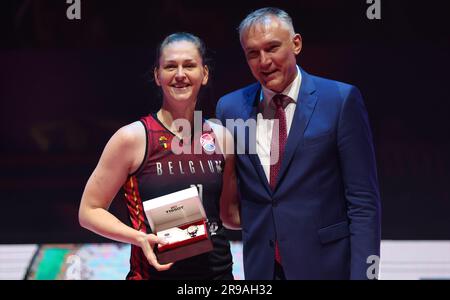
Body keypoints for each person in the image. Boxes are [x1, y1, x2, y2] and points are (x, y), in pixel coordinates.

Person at [216, 7, 381, 280]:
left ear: (296, 44)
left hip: (327, 268)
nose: (264, 61)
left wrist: (365, 276)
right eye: (253, 53)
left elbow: (363, 202)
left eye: (272, 48)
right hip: (262, 270)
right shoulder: (230, 108)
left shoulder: (340, 100)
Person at [79, 32, 238, 280]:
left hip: (217, 276)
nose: (180, 74)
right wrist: (138, 237)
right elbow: (89, 210)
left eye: (189, 65)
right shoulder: (132, 138)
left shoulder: (222, 137)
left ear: (204, 74)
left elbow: (228, 215)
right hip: (153, 274)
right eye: (170, 66)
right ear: (157, 75)